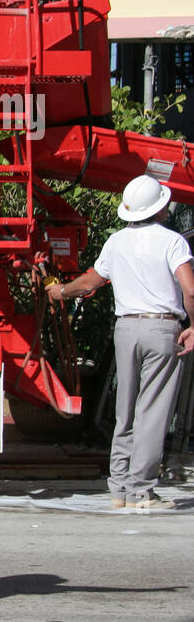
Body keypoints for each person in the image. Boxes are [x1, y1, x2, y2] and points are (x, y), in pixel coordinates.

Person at [48, 174, 194, 510]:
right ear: (160, 209)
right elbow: (190, 289)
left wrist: (62, 292)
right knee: (152, 411)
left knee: (125, 409)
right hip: (162, 329)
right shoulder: (172, 242)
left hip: (126, 330)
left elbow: (90, 281)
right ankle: (141, 491)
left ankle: (118, 489)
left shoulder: (116, 242)